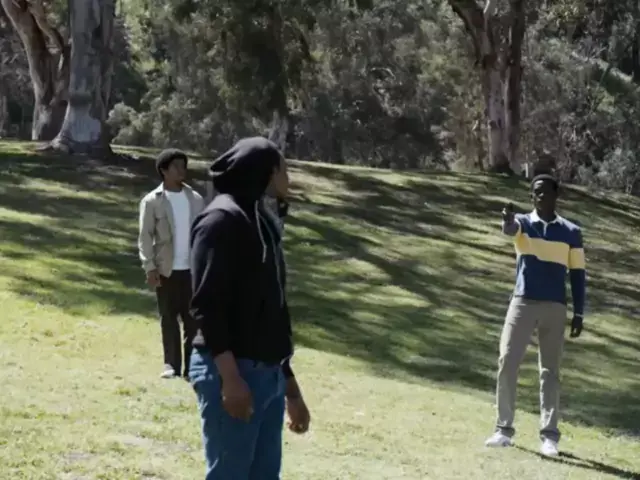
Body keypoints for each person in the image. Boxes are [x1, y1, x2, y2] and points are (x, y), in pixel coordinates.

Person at [188, 137, 311, 479]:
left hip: (267, 373)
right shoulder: (221, 220)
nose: (288, 177)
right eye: (284, 169)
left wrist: (290, 388)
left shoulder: (261, 220)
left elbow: (271, 309)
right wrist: (230, 378)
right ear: (267, 172)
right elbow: (207, 305)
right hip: (233, 370)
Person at [484, 173, 586, 457]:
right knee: (507, 360)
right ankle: (503, 430)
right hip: (522, 303)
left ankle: (549, 436)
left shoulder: (571, 232)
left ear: (556, 195)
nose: (540, 196)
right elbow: (511, 229)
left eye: (545, 191)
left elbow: (578, 274)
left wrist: (579, 312)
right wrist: (507, 221)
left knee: (550, 371)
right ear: (531, 197)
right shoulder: (523, 224)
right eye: (536, 192)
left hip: (555, 306)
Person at [138, 149, 205, 379]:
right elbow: (145, 236)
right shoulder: (152, 201)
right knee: (168, 319)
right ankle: (171, 365)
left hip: (192, 270)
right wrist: (149, 267)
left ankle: (191, 369)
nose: (181, 170)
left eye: (183, 166)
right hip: (165, 269)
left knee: (193, 321)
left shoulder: (196, 200)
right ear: (164, 170)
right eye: (176, 166)